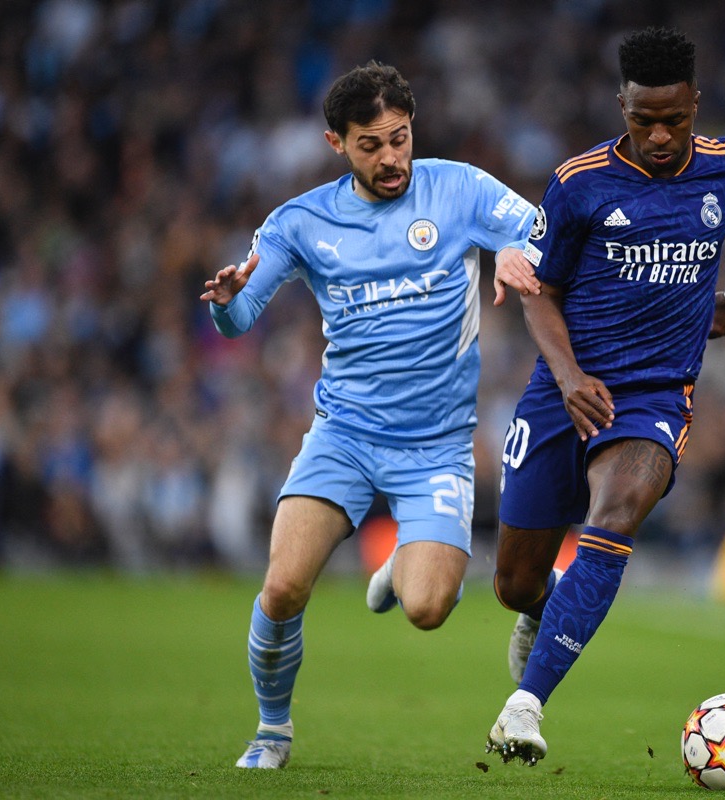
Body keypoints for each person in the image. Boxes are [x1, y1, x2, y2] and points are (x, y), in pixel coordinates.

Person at [200, 61, 539, 769]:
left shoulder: (459, 187)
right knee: (284, 586)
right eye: (370, 144)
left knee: (426, 609)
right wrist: (230, 300)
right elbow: (238, 318)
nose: (391, 157)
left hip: (437, 447)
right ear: (336, 143)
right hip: (345, 436)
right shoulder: (300, 221)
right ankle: (272, 730)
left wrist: (513, 250)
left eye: (400, 138)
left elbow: (536, 227)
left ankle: (400, 567)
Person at [484, 26, 725, 766]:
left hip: (654, 397)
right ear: (622, 107)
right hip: (564, 389)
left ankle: (525, 707)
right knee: (513, 584)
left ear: (695, 103)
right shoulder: (579, 182)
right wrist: (571, 378)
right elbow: (535, 289)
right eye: (645, 121)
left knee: (614, 517)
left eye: (676, 118)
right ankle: (543, 610)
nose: (662, 135)